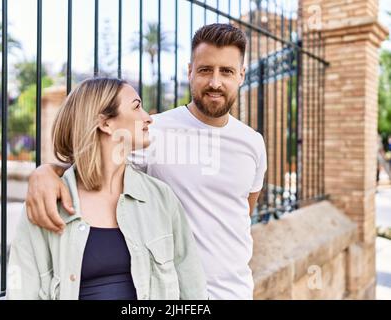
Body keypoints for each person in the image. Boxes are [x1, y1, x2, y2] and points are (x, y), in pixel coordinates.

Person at [24, 23, 267, 299]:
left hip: (238, 292)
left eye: (226, 71)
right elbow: (94, 162)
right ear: (190, 71)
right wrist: (46, 172)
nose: (215, 82)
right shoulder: (152, 132)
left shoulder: (253, 143)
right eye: (205, 70)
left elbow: (242, 213)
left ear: (241, 75)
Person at [7, 78, 208, 300]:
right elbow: (22, 292)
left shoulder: (161, 198)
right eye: (136, 106)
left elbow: (193, 290)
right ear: (106, 123)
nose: (148, 118)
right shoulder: (46, 204)